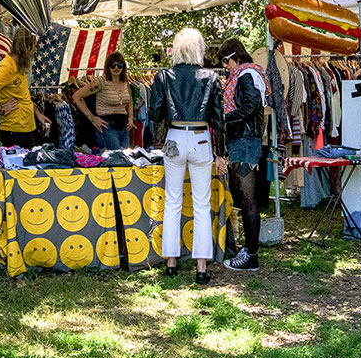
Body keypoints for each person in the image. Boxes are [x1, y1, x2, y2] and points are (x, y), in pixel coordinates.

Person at [148, 28, 226, 285]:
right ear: (199, 49)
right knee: (202, 204)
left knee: (173, 200)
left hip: (175, 137)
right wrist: (221, 153)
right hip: (202, 138)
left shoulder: (164, 76)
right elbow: (219, 118)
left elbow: (156, 113)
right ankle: (201, 266)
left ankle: (171, 261)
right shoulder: (211, 77)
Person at [217, 38, 267, 272]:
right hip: (243, 140)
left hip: (246, 141)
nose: (225, 66)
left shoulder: (246, 75)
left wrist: (226, 119)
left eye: (226, 61)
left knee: (247, 200)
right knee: (245, 198)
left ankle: (252, 255)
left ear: (236, 56)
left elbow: (253, 105)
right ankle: (249, 251)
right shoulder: (244, 74)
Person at [0, 27, 50, 148]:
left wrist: (37, 114)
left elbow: (23, 97)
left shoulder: (19, 66)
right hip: (14, 130)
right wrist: (0, 109)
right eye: (34, 46)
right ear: (26, 46)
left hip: (26, 128)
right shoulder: (7, 67)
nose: (36, 50)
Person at [71, 51, 134, 150]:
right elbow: (77, 96)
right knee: (115, 160)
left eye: (119, 64)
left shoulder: (125, 83)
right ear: (108, 67)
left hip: (124, 128)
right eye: (113, 65)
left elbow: (130, 100)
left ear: (124, 66)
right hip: (107, 128)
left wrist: (130, 117)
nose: (116, 68)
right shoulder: (100, 82)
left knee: (126, 159)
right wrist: (92, 118)